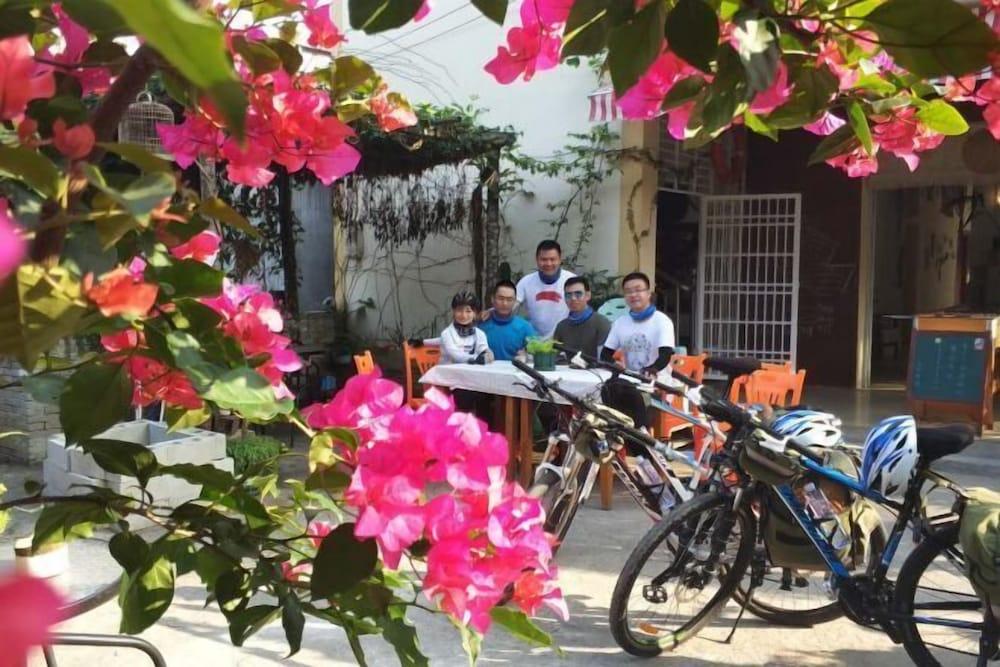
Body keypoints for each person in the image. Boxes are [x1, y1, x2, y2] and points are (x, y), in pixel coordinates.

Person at [601, 272, 675, 378]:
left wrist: (651, 370)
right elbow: (605, 354)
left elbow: (665, 355)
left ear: (648, 293)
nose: (633, 295)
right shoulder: (620, 323)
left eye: (638, 290)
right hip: (629, 380)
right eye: (628, 291)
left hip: (658, 381)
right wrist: (615, 364)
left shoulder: (662, 321)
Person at [514, 240, 576, 339]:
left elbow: (581, 309)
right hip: (534, 340)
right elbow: (510, 304)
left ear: (560, 259)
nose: (548, 263)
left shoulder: (572, 280)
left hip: (563, 339)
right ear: (537, 259)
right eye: (544, 259)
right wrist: (492, 312)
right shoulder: (526, 282)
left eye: (552, 259)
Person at [553, 276, 611, 358]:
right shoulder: (561, 326)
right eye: (568, 295)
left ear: (588, 296)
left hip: (595, 366)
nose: (573, 298)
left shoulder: (601, 323)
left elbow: (604, 359)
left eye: (578, 294)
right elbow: (555, 357)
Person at [479, 279, 537, 361]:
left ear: (515, 301)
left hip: (514, 369)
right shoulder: (481, 325)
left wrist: (527, 356)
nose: (505, 303)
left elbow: (537, 352)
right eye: (500, 298)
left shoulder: (525, 327)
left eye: (509, 300)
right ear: (492, 299)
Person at [439, 291, 492, 365]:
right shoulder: (446, 334)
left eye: (468, 311)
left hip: (472, 371)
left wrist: (488, 355)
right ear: (454, 311)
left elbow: (484, 351)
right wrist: (477, 358)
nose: (464, 315)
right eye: (459, 310)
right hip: (448, 371)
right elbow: (456, 356)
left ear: (475, 313)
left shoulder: (480, 334)